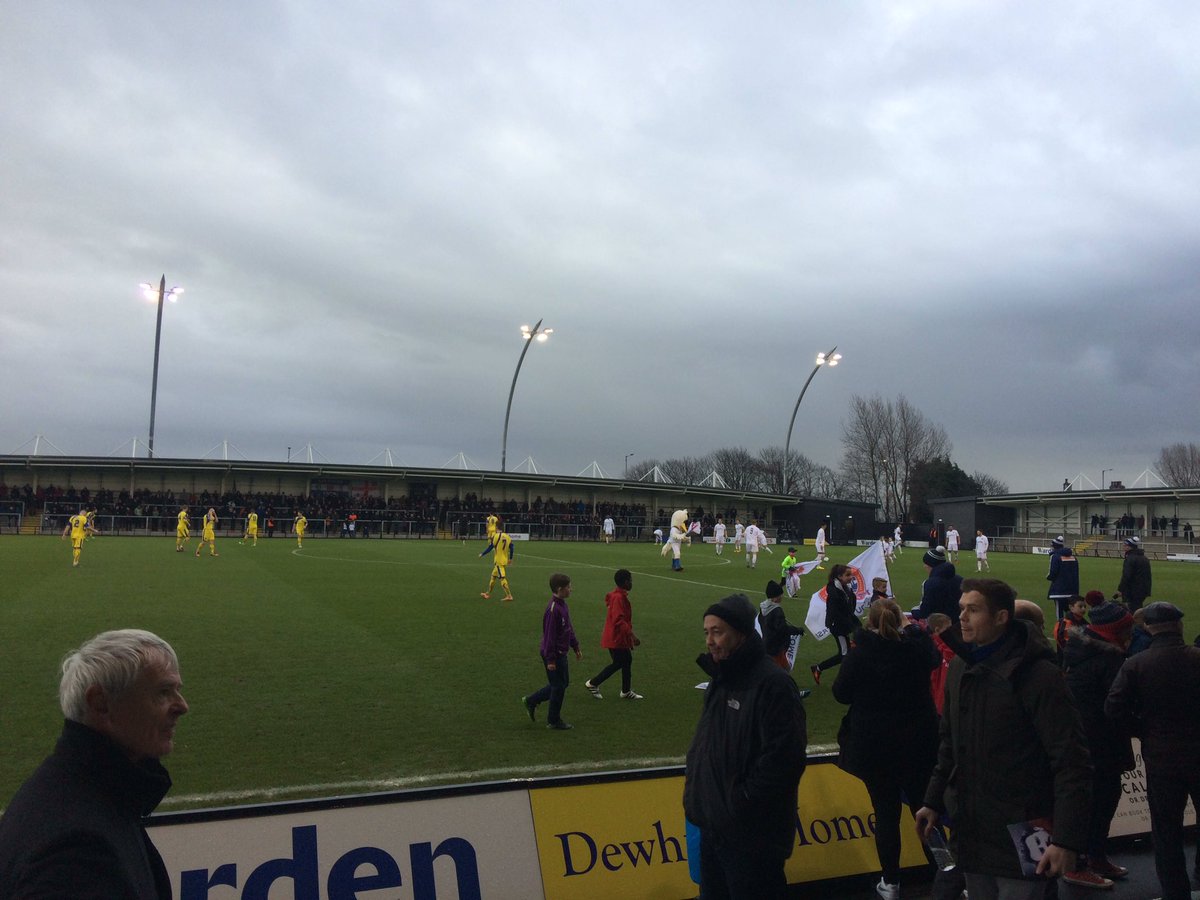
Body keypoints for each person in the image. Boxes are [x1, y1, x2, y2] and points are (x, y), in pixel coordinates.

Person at [915, 579, 1092, 899]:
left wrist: (1065, 840)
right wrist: (932, 800)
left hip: (1023, 831)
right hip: (973, 830)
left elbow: (1071, 760)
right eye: (961, 609)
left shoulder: (1039, 675)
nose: (963, 618)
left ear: (1001, 617)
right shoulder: (959, 667)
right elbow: (949, 745)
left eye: (973, 609)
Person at [0, 629, 188, 897]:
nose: (182, 706)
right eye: (163, 692)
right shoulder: (77, 849)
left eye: (177, 691)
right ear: (101, 704)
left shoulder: (79, 791)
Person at [683, 594, 808, 899]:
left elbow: (784, 760)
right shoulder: (720, 679)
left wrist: (739, 804)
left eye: (718, 631)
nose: (710, 641)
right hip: (715, 828)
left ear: (741, 633)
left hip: (751, 836)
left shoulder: (773, 684)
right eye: (706, 632)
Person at [834, 599, 940, 900]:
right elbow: (932, 656)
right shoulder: (915, 651)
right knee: (925, 810)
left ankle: (891, 883)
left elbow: (840, 693)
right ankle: (944, 873)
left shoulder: (862, 653)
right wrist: (914, 630)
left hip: (875, 746)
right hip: (918, 742)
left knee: (886, 814)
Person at [1105, 602, 1200, 900]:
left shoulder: (1137, 664)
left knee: (1166, 831)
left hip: (1161, 757)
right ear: (1179, 627)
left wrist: (1142, 729)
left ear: (1148, 628)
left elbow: (1113, 710)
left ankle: (1175, 893)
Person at [1061, 601, 1135, 888]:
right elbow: (1117, 703)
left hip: (1087, 737)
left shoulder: (1081, 650)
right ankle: (1079, 862)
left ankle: (1093, 856)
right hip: (1098, 740)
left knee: (1101, 798)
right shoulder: (1108, 659)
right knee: (1096, 801)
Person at [522, 573, 582, 730]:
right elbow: (549, 636)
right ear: (560, 589)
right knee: (558, 686)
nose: (571, 589)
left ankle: (531, 700)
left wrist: (575, 645)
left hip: (561, 652)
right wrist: (550, 660)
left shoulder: (563, 605)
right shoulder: (553, 609)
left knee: (562, 684)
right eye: (569, 587)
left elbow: (568, 628)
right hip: (553, 654)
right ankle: (553, 720)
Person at [584, 569, 643, 700]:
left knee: (626, 660)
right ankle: (593, 683)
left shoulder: (619, 596)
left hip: (618, 637)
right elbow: (618, 620)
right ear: (626, 582)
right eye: (631, 580)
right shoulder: (618, 598)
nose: (632, 583)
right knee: (619, 662)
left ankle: (626, 691)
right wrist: (632, 636)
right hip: (615, 638)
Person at [811, 564, 858, 685]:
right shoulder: (835, 591)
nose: (850, 577)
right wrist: (833, 624)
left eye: (851, 574)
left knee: (847, 651)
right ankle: (819, 668)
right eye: (847, 575)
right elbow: (834, 611)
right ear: (839, 576)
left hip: (845, 625)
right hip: (839, 627)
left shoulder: (844, 589)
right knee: (844, 654)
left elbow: (849, 608)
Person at [758, 580, 805, 671]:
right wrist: (797, 630)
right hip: (776, 647)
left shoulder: (763, 607)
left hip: (766, 643)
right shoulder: (777, 610)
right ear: (775, 597)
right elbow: (782, 629)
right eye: (780, 594)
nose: (782, 596)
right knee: (783, 670)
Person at [911, 546, 963, 625]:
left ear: (931, 565)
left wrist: (913, 611)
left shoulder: (930, 583)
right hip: (959, 624)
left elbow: (925, 612)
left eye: (926, 564)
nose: (924, 566)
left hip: (941, 627)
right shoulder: (960, 579)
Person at [1114, 536, 1152, 611]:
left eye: (1125, 545)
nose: (1123, 547)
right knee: (1138, 608)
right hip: (1143, 589)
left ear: (1130, 547)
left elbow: (1126, 576)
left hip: (1133, 590)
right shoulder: (1144, 558)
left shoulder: (1130, 558)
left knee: (1131, 610)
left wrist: (1121, 589)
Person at [480, 528, 515, 601]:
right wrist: (510, 559)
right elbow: (512, 548)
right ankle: (487, 593)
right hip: (504, 560)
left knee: (502, 578)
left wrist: (483, 554)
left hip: (499, 561)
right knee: (493, 577)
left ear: (497, 529)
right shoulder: (507, 536)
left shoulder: (496, 536)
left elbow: (490, 547)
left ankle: (509, 596)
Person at [1052, 595, 1088, 665]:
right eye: (1080, 606)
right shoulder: (1065, 623)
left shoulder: (1084, 622)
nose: (1083, 609)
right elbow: (1062, 642)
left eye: (1085, 607)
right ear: (1071, 608)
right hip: (1067, 661)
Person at [1047, 545, 1079, 621]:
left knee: (1059, 611)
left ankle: (1060, 629)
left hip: (1059, 590)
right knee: (1071, 611)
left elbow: (1052, 573)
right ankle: (1073, 627)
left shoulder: (1055, 556)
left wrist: (1049, 577)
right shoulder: (1074, 558)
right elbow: (1076, 574)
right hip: (1072, 590)